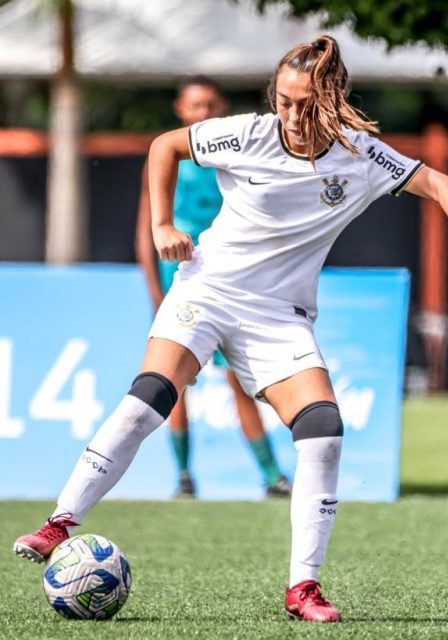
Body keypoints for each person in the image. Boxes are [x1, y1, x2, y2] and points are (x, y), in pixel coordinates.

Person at [13, 35, 448, 623]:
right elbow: (166, 146)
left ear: (333, 99)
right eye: (285, 101)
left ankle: (303, 589)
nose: (292, 116)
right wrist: (163, 223)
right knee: (148, 402)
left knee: (323, 431)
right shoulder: (249, 133)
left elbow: (440, 183)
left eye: (306, 104)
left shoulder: (362, 156)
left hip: (278, 316)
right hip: (207, 290)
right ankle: (59, 522)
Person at [135, 76, 291, 499]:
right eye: (194, 106)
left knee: (240, 380)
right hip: (179, 278)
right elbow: (147, 229)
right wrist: (155, 290)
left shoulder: (233, 155)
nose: (202, 113)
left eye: (209, 105)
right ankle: (184, 476)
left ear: (220, 107)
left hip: (229, 276)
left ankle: (271, 474)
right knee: (174, 381)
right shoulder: (167, 156)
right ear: (180, 110)